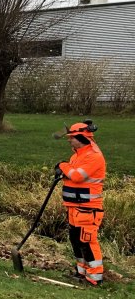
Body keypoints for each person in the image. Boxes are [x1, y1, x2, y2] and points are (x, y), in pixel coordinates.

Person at [56, 120, 106, 286]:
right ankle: (81, 272)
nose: (69, 140)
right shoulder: (77, 156)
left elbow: (77, 176)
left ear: (81, 137)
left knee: (87, 241)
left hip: (87, 208)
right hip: (73, 207)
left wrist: (62, 166)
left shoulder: (93, 156)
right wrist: (62, 171)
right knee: (75, 239)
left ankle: (94, 277)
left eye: (71, 137)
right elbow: (70, 175)